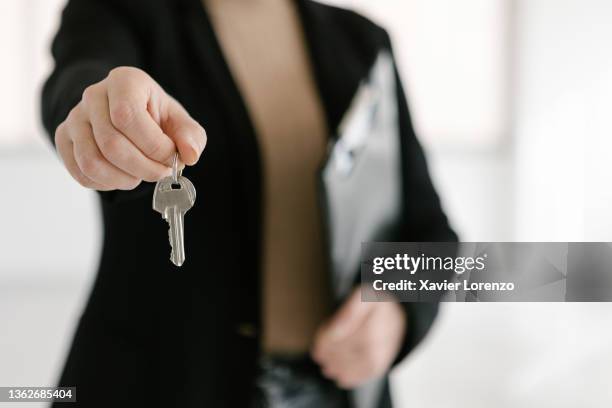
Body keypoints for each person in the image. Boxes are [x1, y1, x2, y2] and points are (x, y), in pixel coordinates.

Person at [41, 0, 456, 406]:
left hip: (335, 390)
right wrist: (99, 113)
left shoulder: (362, 41)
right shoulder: (120, 11)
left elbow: (434, 233)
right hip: (160, 383)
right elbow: (81, 79)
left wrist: (400, 308)